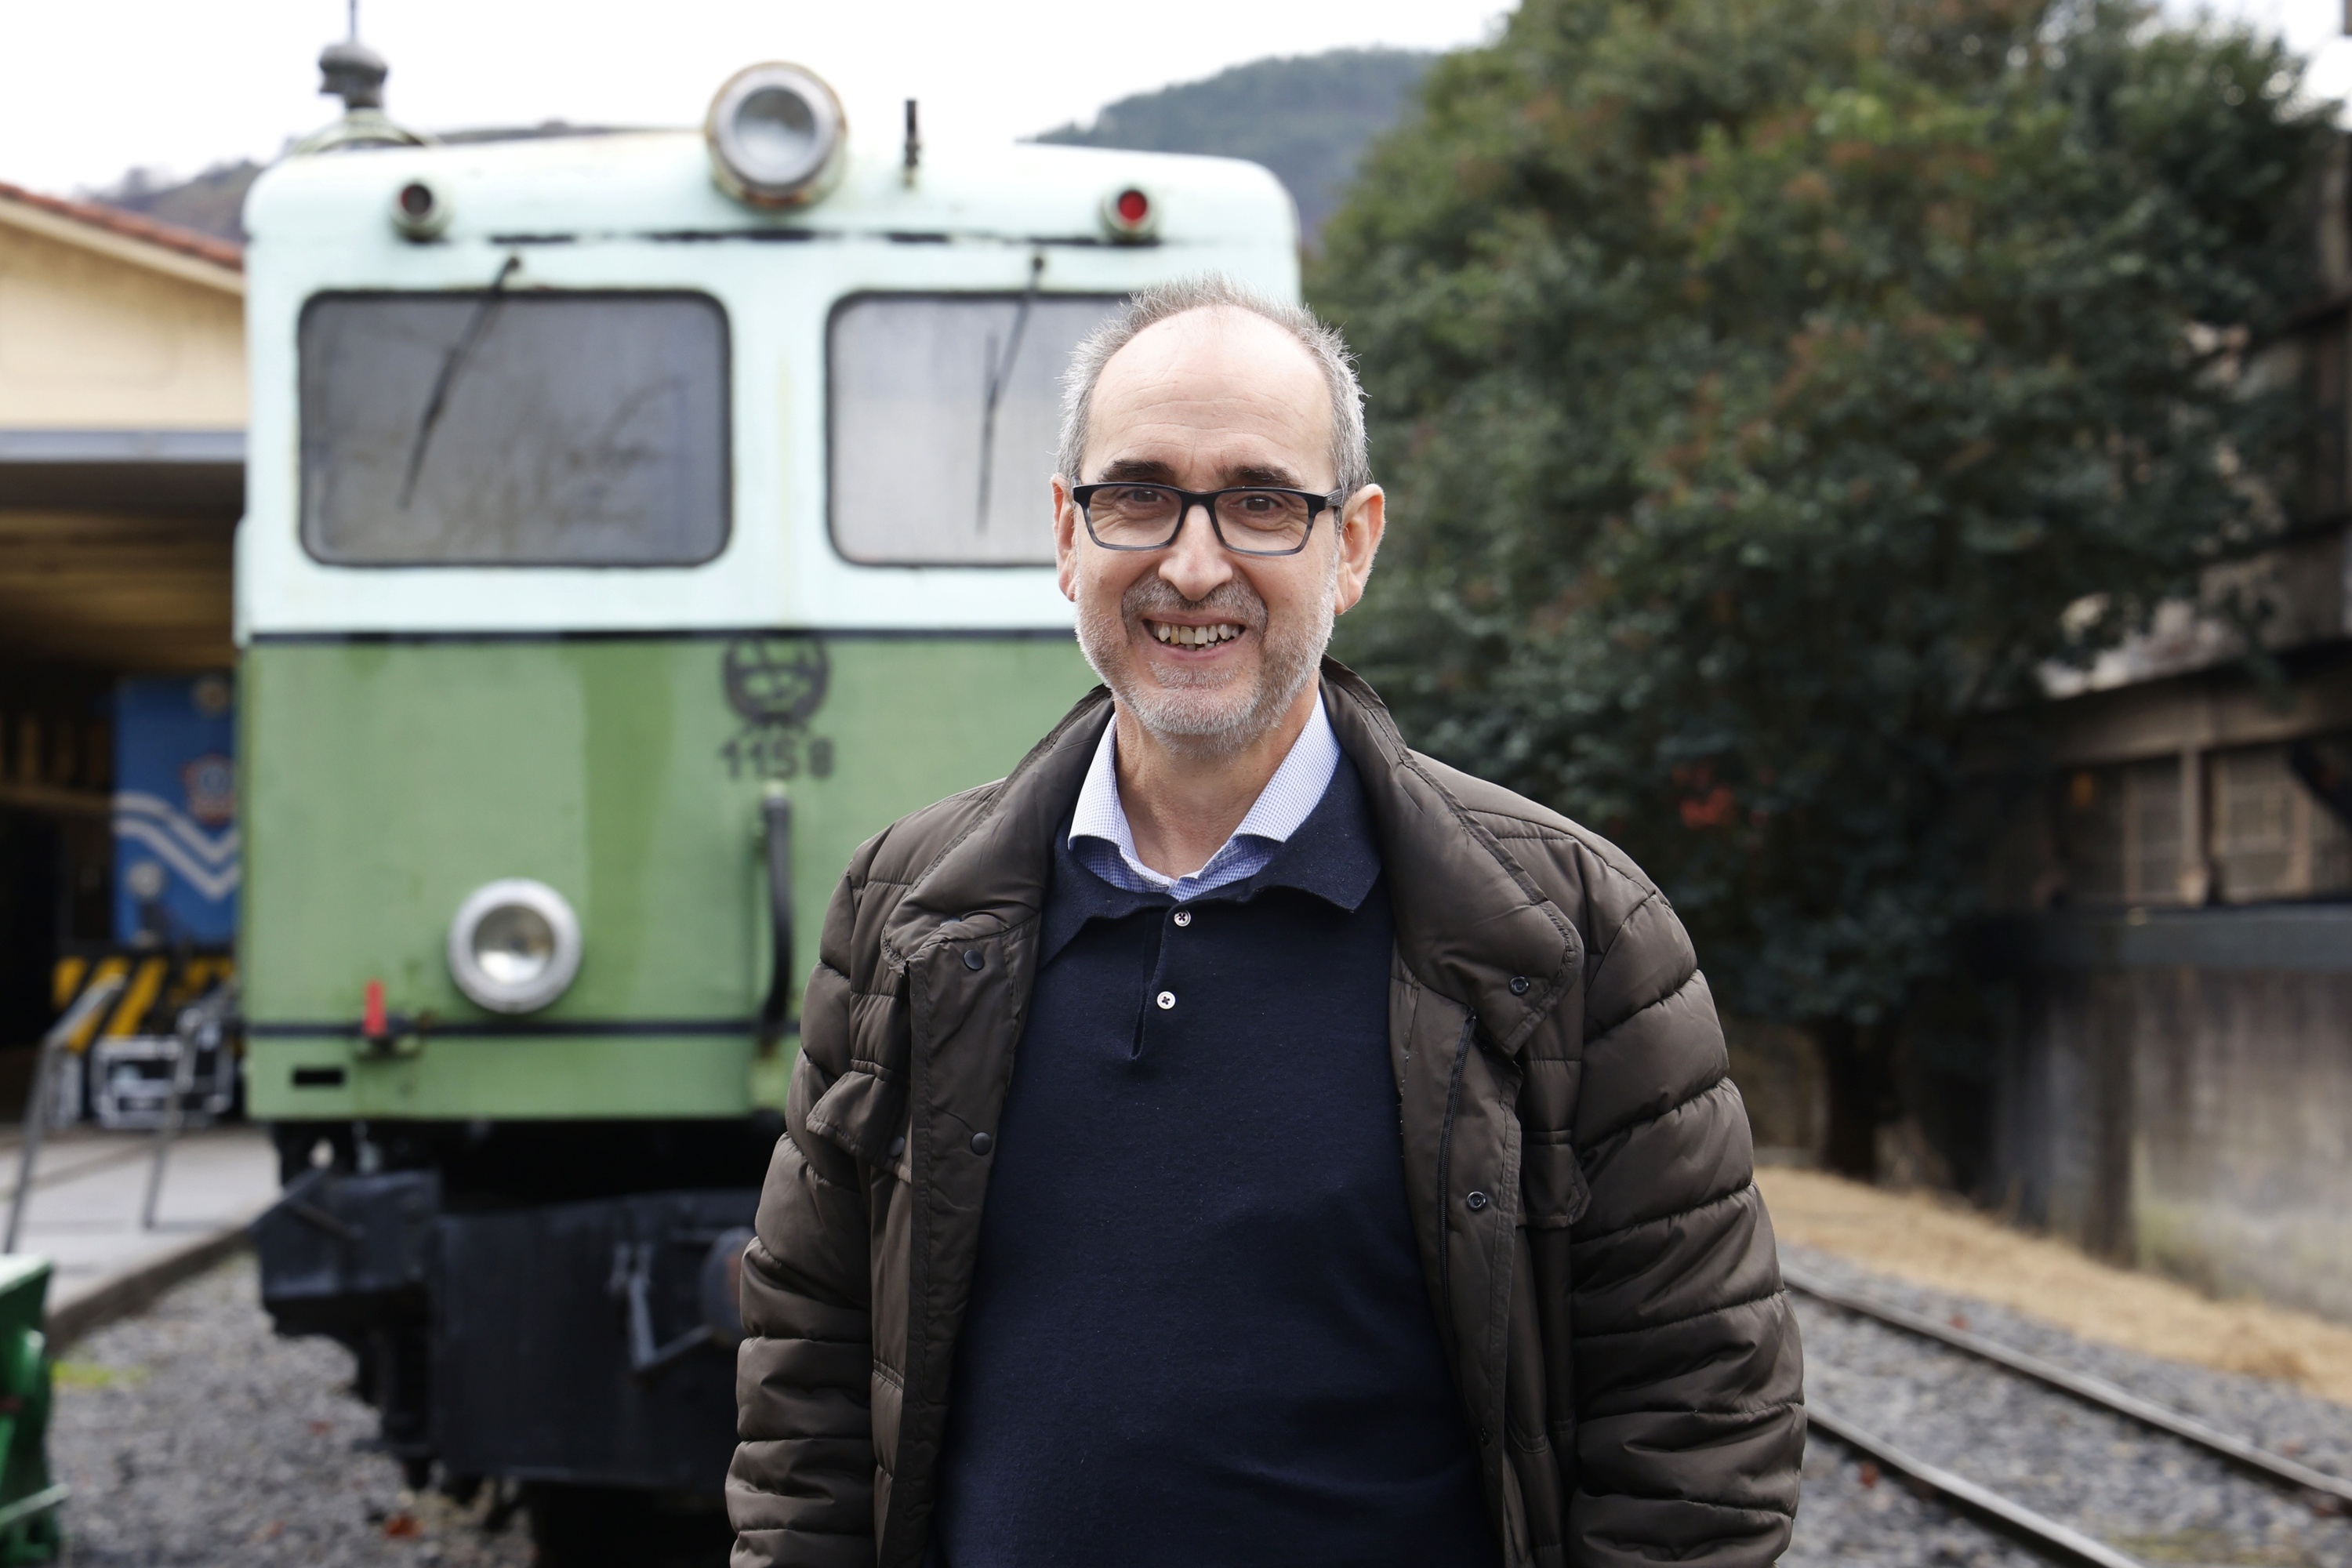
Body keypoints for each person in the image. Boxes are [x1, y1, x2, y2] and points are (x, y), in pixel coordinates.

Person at [726, 276, 1803, 1568]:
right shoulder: (904, 916)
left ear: (1351, 545)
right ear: (1066, 536)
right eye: (1138, 495)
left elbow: (1700, 1429)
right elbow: (807, 1389)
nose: (1193, 563)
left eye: (1261, 502)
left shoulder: (1571, 934)